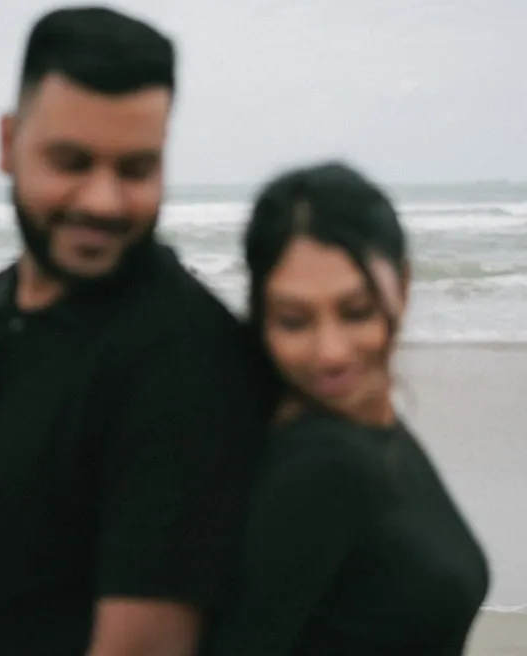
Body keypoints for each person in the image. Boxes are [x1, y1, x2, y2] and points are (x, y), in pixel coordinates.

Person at [0, 5, 265, 655]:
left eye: (135, 169)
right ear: (6, 144)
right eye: (71, 161)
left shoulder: (189, 362)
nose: (103, 201)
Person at [203, 162, 490, 655]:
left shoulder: (369, 431)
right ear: (262, 316)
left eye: (357, 311)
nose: (331, 352)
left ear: (402, 283)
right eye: (294, 321)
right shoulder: (321, 465)